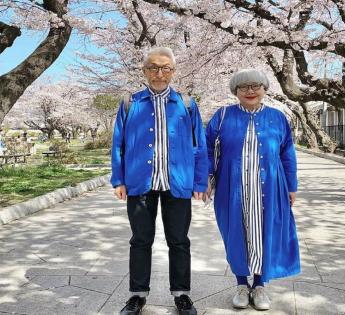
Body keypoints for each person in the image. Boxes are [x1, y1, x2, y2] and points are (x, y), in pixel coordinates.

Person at [111, 47, 208, 315]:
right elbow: (118, 143)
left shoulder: (186, 103)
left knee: (179, 241)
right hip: (140, 184)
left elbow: (199, 144)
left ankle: (182, 295)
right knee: (140, 241)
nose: (159, 73)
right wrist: (118, 179)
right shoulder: (131, 103)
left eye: (166, 68)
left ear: (173, 72)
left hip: (177, 184)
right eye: (153, 67)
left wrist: (200, 182)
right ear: (144, 71)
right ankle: (137, 295)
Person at [205, 69, 300, 311]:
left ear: (265, 89)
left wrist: (292, 186)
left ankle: (259, 286)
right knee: (234, 233)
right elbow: (207, 149)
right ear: (235, 91)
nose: (250, 91)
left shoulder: (278, 118)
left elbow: (287, 153)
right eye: (243, 87)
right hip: (231, 188)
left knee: (264, 233)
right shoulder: (223, 115)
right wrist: (205, 178)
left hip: (270, 188)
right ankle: (240, 284)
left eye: (255, 86)